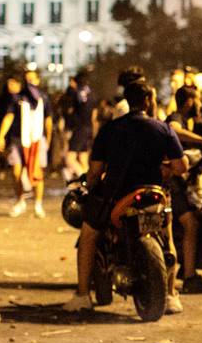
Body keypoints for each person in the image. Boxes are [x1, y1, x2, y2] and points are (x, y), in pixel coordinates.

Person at [64, 81, 186, 314]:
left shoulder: (110, 129)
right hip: (153, 195)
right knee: (166, 236)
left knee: (89, 234)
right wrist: (167, 168)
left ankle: (82, 295)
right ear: (149, 101)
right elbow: (182, 166)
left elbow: (96, 171)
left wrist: (89, 185)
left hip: (116, 196)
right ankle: (171, 295)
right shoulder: (162, 128)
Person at [165, 86, 202, 294]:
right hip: (171, 182)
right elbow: (174, 130)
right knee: (191, 224)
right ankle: (189, 277)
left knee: (198, 219)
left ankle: (188, 269)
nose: (200, 103)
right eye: (197, 100)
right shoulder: (176, 117)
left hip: (184, 184)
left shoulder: (194, 122)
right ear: (189, 101)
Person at [0, 74, 52, 218]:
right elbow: (9, 116)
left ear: (39, 80)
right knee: (16, 172)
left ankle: (38, 204)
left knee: (37, 173)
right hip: (16, 139)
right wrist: (1, 136)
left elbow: (48, 119)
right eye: (27, 79)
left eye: (33, 79)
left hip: (36, 139)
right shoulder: (17, 99)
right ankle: (20, 201)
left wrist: (48, 139)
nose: (30, 82)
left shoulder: (43, 98)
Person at [61, 72, 95, 181]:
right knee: (83, 158)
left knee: (70, 158)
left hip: (79, 128)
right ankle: (91, 184)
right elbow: (94, 113)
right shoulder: (90, 93)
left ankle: (84, 180)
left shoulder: (76, 93)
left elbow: (68, 108)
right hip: (88, 127)